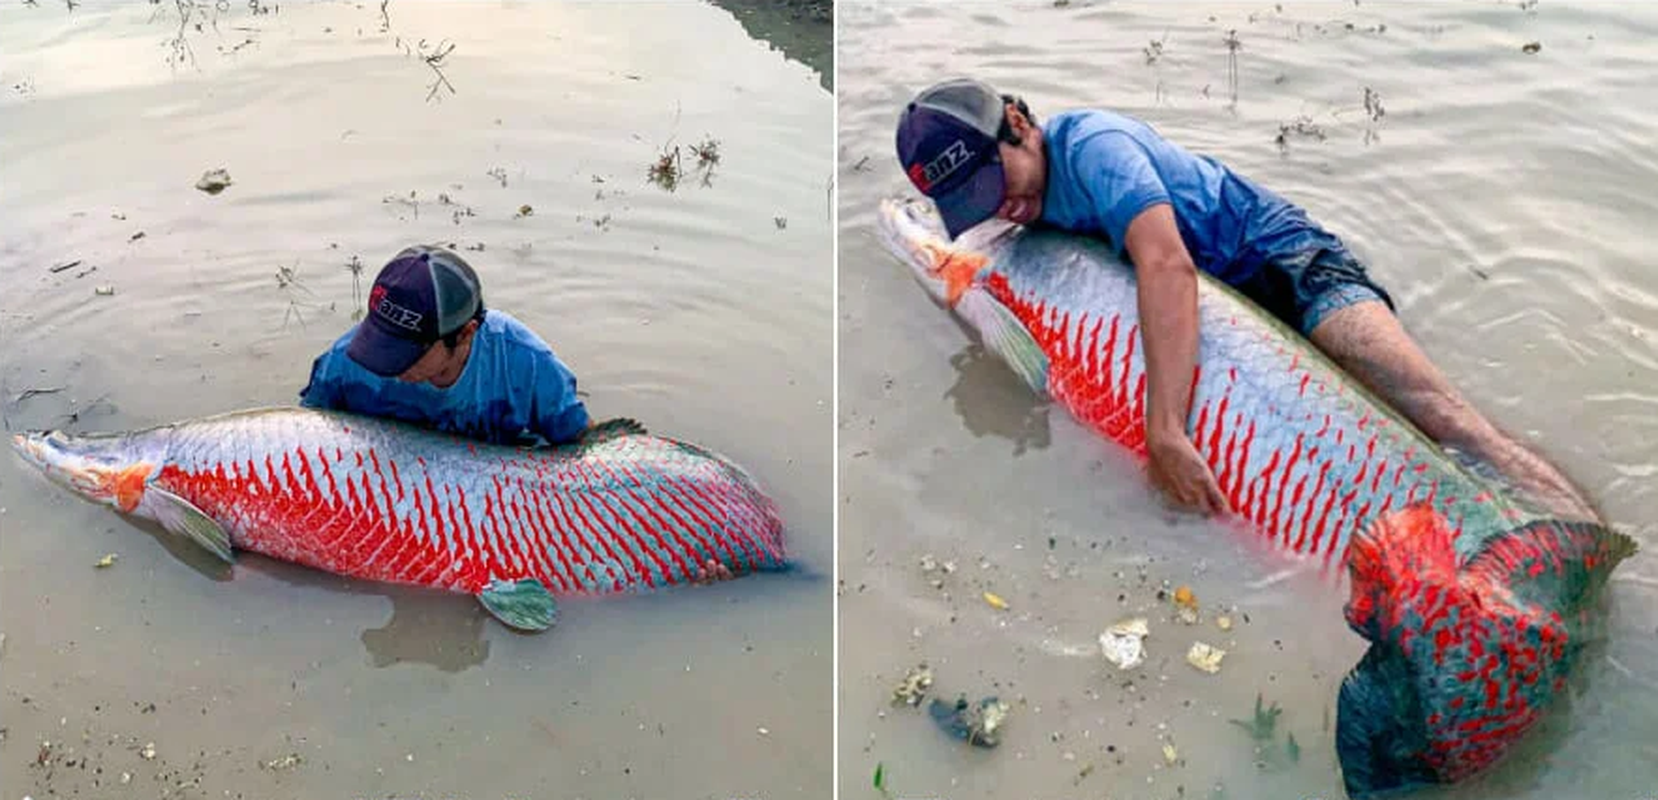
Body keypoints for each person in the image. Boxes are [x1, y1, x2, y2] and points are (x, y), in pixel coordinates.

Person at [895, 77, 1599, 523]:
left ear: (1017, 121)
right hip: (1233, 316)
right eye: (981, 205)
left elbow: (1167, 269)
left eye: (1000, 184)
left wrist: (1165, 432)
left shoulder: (1093, 149)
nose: (1006, 210)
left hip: (1285, 266)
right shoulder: (1028, 199)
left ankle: (1594, 547)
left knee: (1445, 421)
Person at [299, 244, 593, 447]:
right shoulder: (345, 361)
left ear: (466, 333)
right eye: (381, 341)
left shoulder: (526, 364)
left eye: (409, 352)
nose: (388, 365)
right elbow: (305, 439)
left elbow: (585, 450)